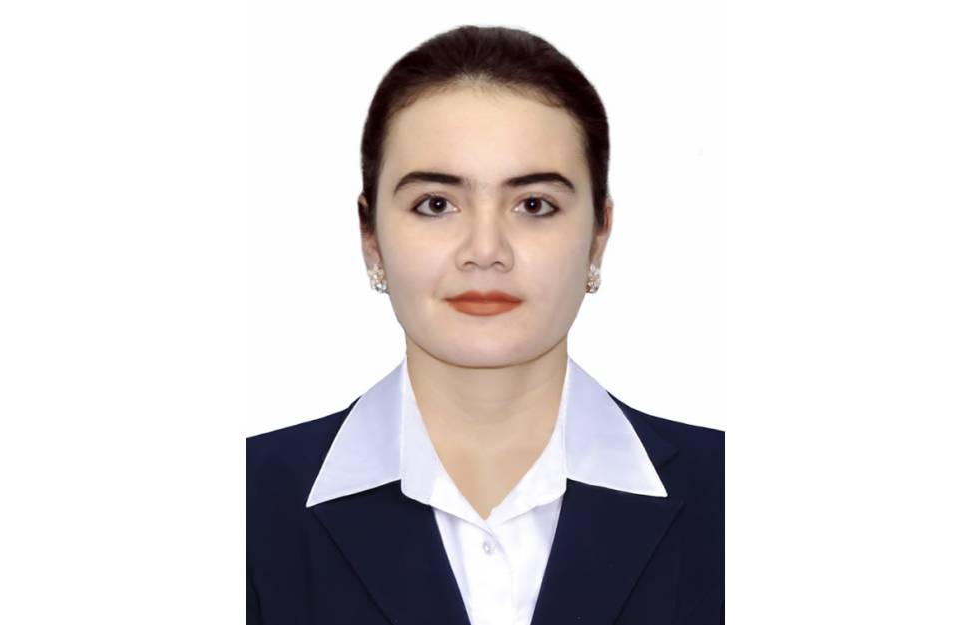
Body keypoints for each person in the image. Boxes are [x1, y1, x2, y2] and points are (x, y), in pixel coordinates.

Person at [247, 24, 724, 625]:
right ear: (370, 237)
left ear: (598, 235)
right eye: (436, 204)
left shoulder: (733, 495)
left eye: (534, 205)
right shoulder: (244, 503)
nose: (485, 250)